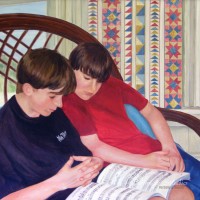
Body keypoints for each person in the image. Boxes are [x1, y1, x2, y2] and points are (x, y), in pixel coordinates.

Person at [62, 42, 200, 199]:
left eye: (99, 81)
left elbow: (151, 112)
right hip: (126, 167)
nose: (93, 88)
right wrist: (146, 161)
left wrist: (170, 148)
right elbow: (96, 147)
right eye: (87, 78)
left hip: (158, 153)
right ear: (70, 68)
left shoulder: (112, 85)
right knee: (184, 194)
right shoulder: (68, 101)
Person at [0, 48, 104, 200]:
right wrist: (59, 183)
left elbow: (81, 153)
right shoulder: (4, 131)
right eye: (53, 96)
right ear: (28, 89)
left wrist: (95, 162)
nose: (60, 104)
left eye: (62, 96)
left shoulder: (52, 112)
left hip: (91, 189)